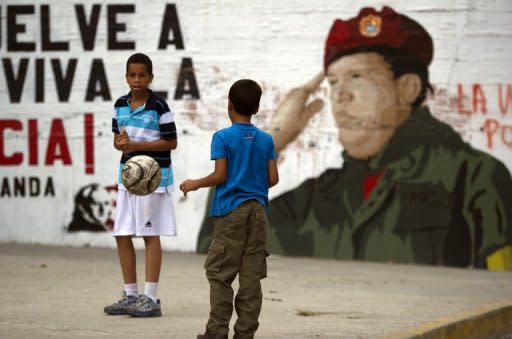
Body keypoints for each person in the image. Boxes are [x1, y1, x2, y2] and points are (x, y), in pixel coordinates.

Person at [196, 6, 512, 270]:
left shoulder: (475, 178)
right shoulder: (319, 196)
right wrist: (272, 138)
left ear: (408, 88)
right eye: (333, 82)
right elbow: (217, 250)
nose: (340, 96)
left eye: (357, 77)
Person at [180, 79, 279, 339]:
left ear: (230, 105)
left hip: (230, 213)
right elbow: (272, 179)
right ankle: (245, 334)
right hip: (257, 213)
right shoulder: (266, 140)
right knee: (251, 277)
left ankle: (217, 332)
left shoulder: (222, 137)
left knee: (220, 273)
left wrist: (194, 183)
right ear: (256, 108)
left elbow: (220, 175)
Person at [104, 53, 178, 317]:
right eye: (132, 75)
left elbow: (171, 142)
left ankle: (151, 298)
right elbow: (118, 140)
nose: (137, 80)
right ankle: (131, 295)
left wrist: (136, 146)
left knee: (149, 234)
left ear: (150, 78)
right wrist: (122, 144)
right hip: (128, 178)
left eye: (142, 75)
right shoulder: (120, 105)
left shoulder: (159, 106)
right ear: (126, 77)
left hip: (153, 180)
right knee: (122, 234)